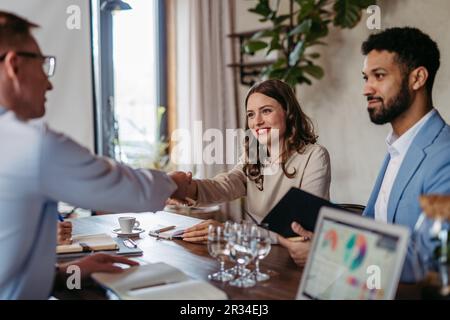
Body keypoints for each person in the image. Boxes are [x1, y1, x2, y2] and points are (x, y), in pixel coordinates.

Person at [0, 11, 190, 299]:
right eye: (43, 65)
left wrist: (66, 273)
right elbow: (131, 191)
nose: (49, 83)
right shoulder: (30, 145)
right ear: (14, 65)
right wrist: (174, 182)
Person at [279, 27, 450, 283]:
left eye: (379, 76)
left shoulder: (444, 155)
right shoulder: (399, 147)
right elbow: (375, 228)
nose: (366, 89)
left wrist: (328, 251)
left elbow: (433, 259)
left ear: (418, 78)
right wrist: (323, 237)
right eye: (365, 77)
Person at [171, 79, 331, 243]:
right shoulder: (255, 157)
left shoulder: (314, 156)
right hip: (259, 251)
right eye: (251, 114)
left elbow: (299, 228)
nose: (257, 121)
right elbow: (225, 185)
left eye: (266, 111)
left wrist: (230, 231)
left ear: (288, 113)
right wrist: (185, 188)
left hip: (296, 256)